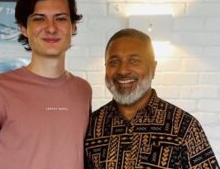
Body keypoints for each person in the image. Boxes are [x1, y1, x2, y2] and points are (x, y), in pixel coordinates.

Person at [0, 0, 92, 169]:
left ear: (73, 27)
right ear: (23, 28)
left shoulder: (82, 90)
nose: (51, 27)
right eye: (39, 19)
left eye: (61, 18)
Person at [84, 28, 219, 168]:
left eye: (134, 61)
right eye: (114, 62)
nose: (123, 70)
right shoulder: (91, 126)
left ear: (153, 68)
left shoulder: (183, 127)